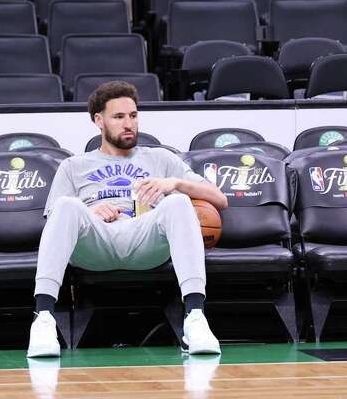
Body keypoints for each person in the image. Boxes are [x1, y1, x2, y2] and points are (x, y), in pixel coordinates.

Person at [27, 80, 227, 357]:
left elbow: (220, 198)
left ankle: (195, 318)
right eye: (118, 117)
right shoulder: (74, 165)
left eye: (133, 116)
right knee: (65, 205)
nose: (128, 123)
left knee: (179, 202)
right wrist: (89, 212)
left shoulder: (160, 158)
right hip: (94, 243)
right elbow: (54, 223)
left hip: (145, 240)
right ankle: (44, 321)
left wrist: (174, 184)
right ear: (99, 120)